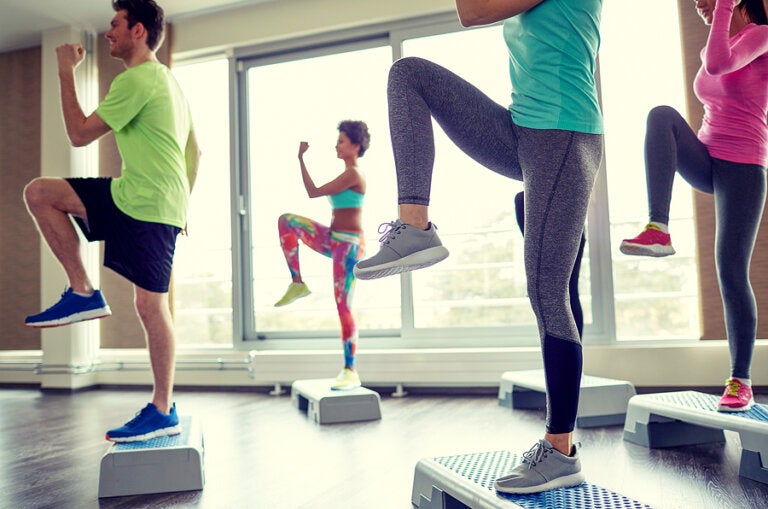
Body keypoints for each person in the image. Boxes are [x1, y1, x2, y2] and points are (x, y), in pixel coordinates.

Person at [354, 0, 603, 494]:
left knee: (549, 293)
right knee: (409, 75)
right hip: (523, 129)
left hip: (561, 134)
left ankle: (560, 450)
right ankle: (415, 226)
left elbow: (473, 10)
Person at [23, 0, 200, 442]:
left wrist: (65, 71)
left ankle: (163, 409)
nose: (108, 33)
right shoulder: (169, 83)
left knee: (150, 306)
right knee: (42, 193)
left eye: (115, 24)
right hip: (136, 196)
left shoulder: (137, 78)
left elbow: (79, 133)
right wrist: (182, 205)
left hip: (148, 204)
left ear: (138, 31)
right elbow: (195, 152)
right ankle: (83, 291)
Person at [620, 0, 768, 412]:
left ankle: (741, 381)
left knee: (731, 272)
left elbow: (721, 66)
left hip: (743, 168)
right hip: (706, 157)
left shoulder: (762, 36)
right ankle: (658, 227)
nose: (701, 5)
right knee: (661, 116)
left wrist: (721, 6)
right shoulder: (715, 41)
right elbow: (714, 63)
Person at [275, 121, 370, 391]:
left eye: (341, 141)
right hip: (333, 238)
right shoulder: (347, 175)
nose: (336, 146)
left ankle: (350, 369)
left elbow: (314, 191)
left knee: (344, 306)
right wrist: (300, 159)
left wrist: (301, 158)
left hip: (350, 246)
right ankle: (297, 283)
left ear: (355, 145)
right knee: (287, 222)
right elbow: (313, 193)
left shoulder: (354, 175)